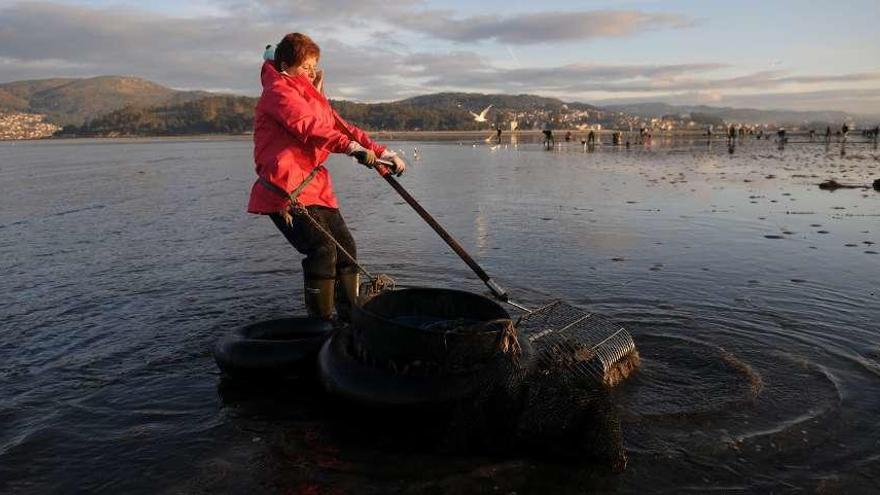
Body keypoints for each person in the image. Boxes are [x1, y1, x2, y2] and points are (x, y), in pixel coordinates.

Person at [248, 33, 406, 321]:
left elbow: (344, 129)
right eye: (306, 67)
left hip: (316, 187)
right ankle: (319, 327)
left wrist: (383, 155)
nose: (313, 72)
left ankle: (349, 317)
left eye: (314, 66)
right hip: (286, 191)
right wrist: (350, 148)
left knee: (347, 249)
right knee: (322, 250)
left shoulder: (313, 97)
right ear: (285, 65)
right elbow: (308, 127)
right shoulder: (278, 92)